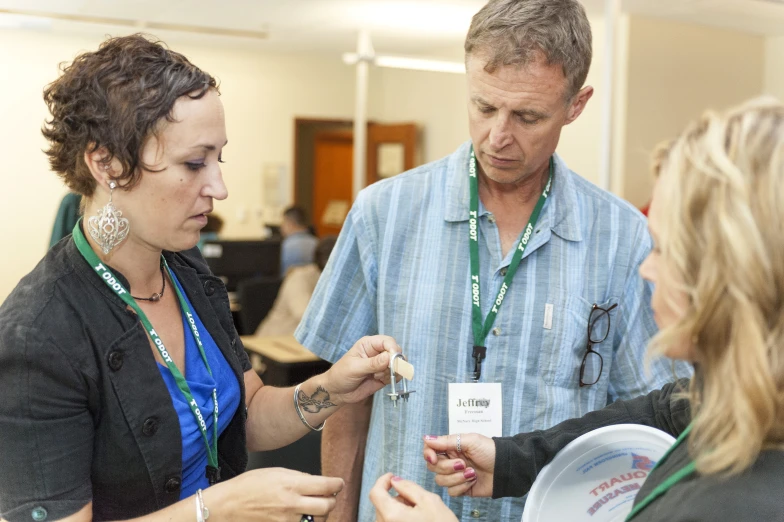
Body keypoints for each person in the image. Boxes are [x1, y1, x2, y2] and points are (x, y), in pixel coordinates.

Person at [295, 0, 689, 519]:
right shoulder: (382, 215)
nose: (498, 137)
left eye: (527, 116)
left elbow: (649, 425)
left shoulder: (626, 239)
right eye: (484, 107)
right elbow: (347, 400)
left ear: (576, 104)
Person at [0, 34, 403, 522]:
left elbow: (247, 413)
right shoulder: (38, 335)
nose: (219, 187)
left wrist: (333, 388)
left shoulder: (187, 270)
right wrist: (221, 506)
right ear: (106, 163)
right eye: (194, 163)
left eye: (219, 159)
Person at [372, 98, 784, 521]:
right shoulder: (736, 404)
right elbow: (659, 411)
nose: (647, 268)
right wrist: (510, 460)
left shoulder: (739, 502)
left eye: (662, 249)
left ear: (727, 275)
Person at [257, 236, 337, 337]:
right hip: (277, 340)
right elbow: (306, 317)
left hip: (303, 344)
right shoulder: (299, 278)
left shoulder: (332, 279)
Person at [280, 205, 318, 276]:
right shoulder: (317, 243)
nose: (281, 226)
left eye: (283, 222)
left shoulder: (285, 246)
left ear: (290, 223)